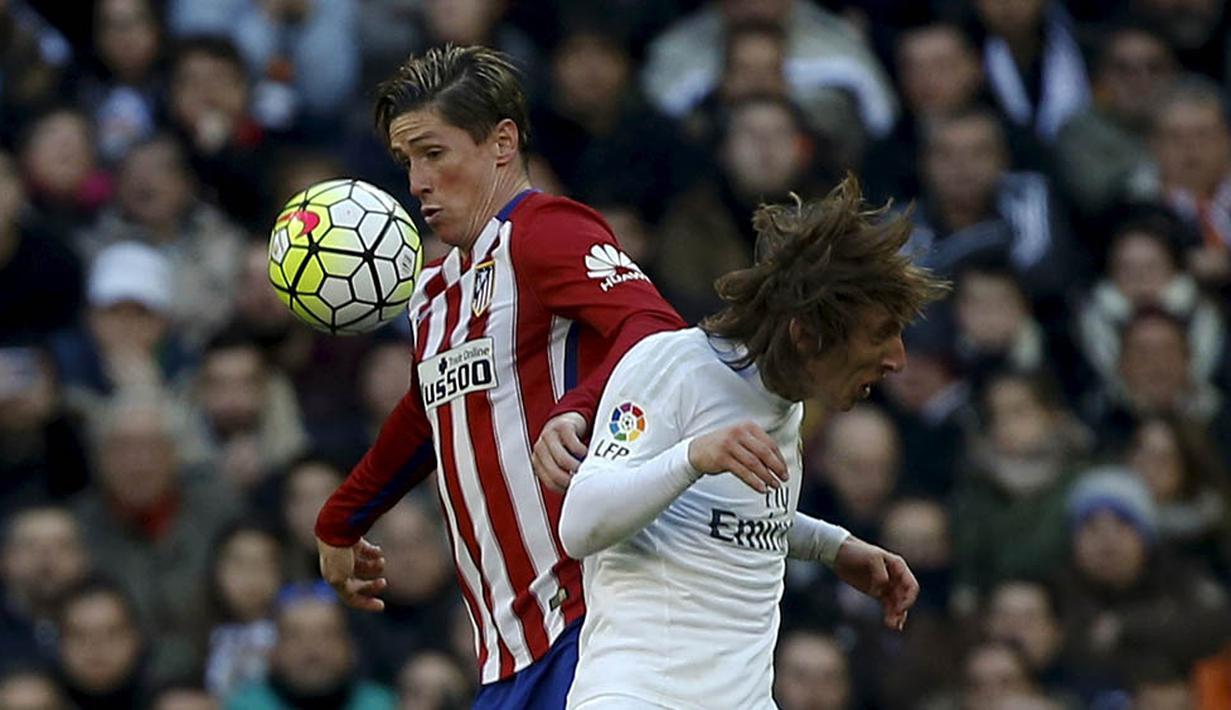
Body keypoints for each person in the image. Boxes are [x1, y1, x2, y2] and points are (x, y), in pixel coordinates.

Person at [313, 44, 685, 708]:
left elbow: (654, 328)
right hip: (511, 647)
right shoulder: (436, 290)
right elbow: (433, 411)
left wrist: (578, 406)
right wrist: (340, 520)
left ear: (502, 143)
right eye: (407, 162)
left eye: (434, 154)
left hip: (590, 620)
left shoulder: (546, 230)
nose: (417, 183)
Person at [556, 177, 948, 708]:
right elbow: (580, 522)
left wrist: (833, 547)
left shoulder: (785, 404)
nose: (897, 358)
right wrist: (692, 457)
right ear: (806, 333)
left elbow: (725, 515)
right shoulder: (673, 366)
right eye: (880, 333)